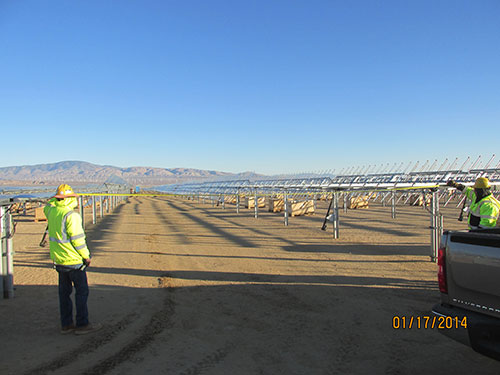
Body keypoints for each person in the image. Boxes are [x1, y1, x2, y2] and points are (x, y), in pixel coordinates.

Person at [44, 184, 102, 335]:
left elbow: (48, 204)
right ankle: (82, 324)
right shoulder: (71, 216)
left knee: (64, 294)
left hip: (59, 261)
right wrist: (86, 256)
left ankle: (66, 324)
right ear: (70, 199)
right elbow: (78, 240)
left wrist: (56, 198)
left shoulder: (51, 211)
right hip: (74, 262)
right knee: (82, 292)